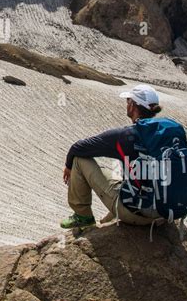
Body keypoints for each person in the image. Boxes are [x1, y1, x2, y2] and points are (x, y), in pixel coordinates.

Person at [61, 84, 165, 230]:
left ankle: (83, 216)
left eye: (128, 100)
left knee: (79, 160)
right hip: (165, 213)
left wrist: (68, 166)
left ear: (132, 105)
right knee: (126, 185)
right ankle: (106, 221)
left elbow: (78, 148)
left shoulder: (125, 136)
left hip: (138, 214)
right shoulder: (166, 134)